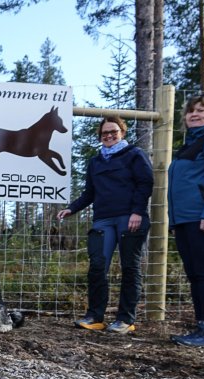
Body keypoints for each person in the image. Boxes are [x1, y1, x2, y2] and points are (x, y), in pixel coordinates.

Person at [57, 116, 153, 334]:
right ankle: (95, 316)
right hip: (103, 220)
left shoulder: (135, 155)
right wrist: (72, 208)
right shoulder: (96, 161)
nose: (109, 135)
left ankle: (125, 319)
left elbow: (145, 183)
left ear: (122, 132)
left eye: (113, 131)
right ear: (100, 137)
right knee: (97, 267)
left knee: (130, 267)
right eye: (104, 133)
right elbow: (89, 193)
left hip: (130, 218)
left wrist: (138, 211)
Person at [168, 92, 204, 350]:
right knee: (196, 275)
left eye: (203, 110)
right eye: (191, 110)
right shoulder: (190, 143)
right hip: (186, 219)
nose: (195, 114)